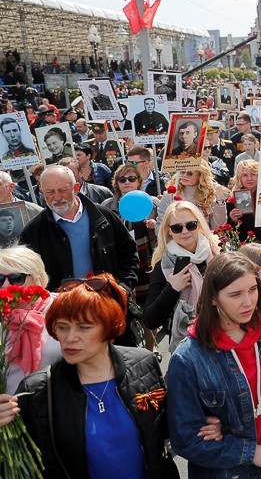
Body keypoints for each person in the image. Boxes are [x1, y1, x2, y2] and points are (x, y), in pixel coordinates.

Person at [3, 275, 181, 478]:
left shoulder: (144, 363)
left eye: (83, 327)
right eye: (62, 327)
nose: (70, 338)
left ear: (109, 327)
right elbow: (21, 465)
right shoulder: (37, 390)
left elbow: (168, 430)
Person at [166, 253, 261, 477]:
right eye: (235, 294)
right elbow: (185, 440)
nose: (248, 302)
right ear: (213, 298)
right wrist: (252, 453)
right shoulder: (187, 359)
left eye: (252, 289)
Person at [20, 165, 138, 291]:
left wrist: (123, 288)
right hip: (63, 307)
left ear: (76, 188)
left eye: (63, 190)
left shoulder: (104, 217)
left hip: (107, 301)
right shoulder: (33, 231)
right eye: (50, 192)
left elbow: (129, 254)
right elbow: (27, 275)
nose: (57, 197)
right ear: (42, 191)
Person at [143, 200, 221, 352]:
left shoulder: (217, 252)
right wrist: (172, 289)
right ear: (169, 231)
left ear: (199, 225)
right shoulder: (165, 265)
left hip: (222, 336)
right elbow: (150, 320)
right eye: (177, 228)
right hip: (188, 348)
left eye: (191, 225)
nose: (185, 231)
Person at [0, 246, 61, 394]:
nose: (6, 285)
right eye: (0, 279)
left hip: (58, 405)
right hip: (10, 409)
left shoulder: (63, 307)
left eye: (16, 278)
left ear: (37, 278)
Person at [101, 164, 160, 305]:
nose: (127, 182)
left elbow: (165, 229)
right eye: (122, 179)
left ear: (139, 181)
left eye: (131, 178)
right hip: (122, 261)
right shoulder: (106, 206)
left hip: (147, 259)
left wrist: (155, 224)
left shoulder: (153, 203)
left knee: (147, 301)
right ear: (117, 184)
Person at [157, 161, 229, 230]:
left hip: (203, 239)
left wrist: (219, 201)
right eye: (182, 172)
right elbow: (160, 224)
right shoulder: (170, 194)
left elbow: (219, 226)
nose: (184, 175)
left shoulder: (209, 195)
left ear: (201, 175)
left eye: (190, 173)